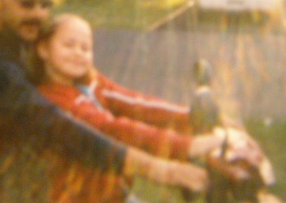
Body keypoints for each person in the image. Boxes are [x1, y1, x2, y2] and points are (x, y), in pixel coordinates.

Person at [0, 0, 209, 203]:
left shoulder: (19, 44)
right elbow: (61, 128)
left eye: (45, 3)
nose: (38, 13)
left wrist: (190, 120)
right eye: (26, 2)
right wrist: (164, 170)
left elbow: (119, 99)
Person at [30, 13, 235, 203]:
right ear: (43, 49)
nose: (78, 53)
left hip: (115, 192)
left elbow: (135, 102)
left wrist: (190, 115)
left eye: (85, 48)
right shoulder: (52, 101)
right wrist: (186, 145)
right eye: (68, 45)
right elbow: (113, 129)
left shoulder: (89, 82)